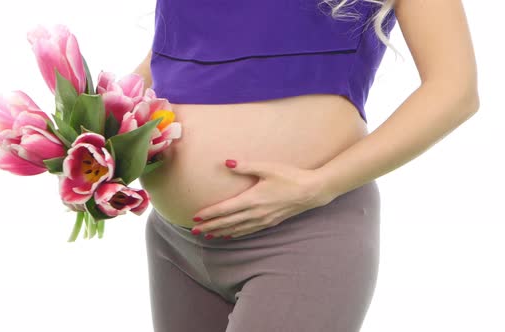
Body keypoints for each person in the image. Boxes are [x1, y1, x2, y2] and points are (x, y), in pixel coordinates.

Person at [134, 0, 479, 331]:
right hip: (174, 243)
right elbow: (167, 57)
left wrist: (320, 185)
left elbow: (455, 90)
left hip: (304, 231)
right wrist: (100, 136)